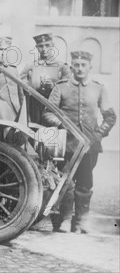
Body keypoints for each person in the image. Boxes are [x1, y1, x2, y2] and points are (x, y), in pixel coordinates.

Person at [42, 51, 116, 233]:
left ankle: (82, 221)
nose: (80, 68)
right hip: (66, 145)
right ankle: (65, 220)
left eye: (83, 65)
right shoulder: (61, 87)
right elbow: (47, 112)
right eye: (76, 64)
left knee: (85, 183)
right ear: (71, 66)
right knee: (65, 183)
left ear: (90, 67)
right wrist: (61, 124)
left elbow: (110, 116)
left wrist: (98, 134)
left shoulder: (98, 88)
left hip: (89, 147)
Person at [22, 33, 71, 124]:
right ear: (36, 47)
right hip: (34, 109)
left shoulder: (62, 67)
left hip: (55, 111)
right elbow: (21, 84)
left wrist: (54, 87)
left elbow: (69, 90)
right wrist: (31, 86)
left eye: (47, 45)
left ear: (53, 46)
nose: (44, 49)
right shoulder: (30, 66)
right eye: (41, 46)